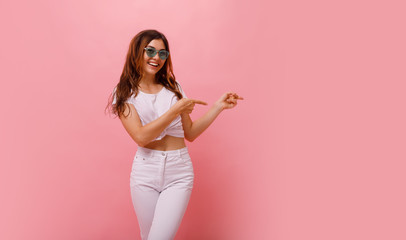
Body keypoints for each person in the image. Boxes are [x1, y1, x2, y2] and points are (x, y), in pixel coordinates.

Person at [108, 29, 243, 240]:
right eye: (150, 51)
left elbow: (190, 133)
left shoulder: (174, 87)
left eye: (163, 54)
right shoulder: (124, 92)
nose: (157, 58)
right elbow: (141, 137)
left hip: (178, 172)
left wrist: (218, 106)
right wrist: (175, 111)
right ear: (137, 52)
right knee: (148, 236)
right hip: (145, 171)